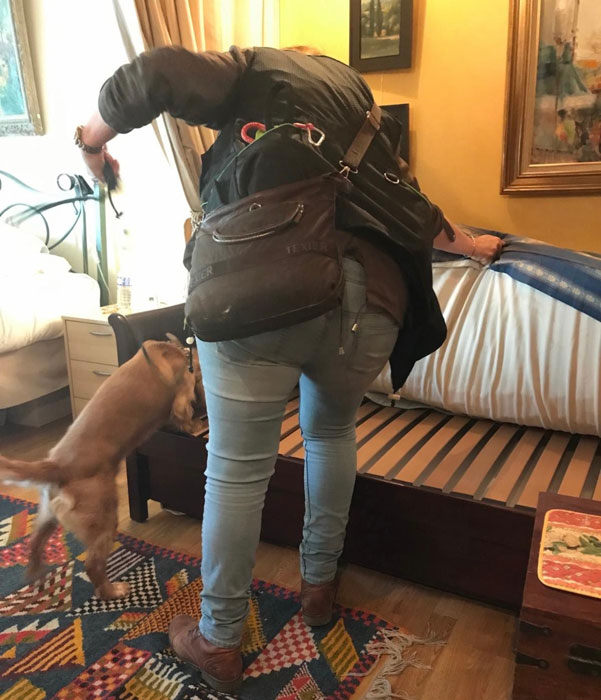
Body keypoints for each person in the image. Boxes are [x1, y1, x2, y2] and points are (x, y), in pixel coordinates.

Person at [77, 45, 503, 694]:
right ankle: (318, 587)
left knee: (237, 469)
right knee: (330, 434)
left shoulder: (255, 70)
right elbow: (409, 203)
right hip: (374, 298)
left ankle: (219, 641)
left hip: (260, 288)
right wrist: (469, 245)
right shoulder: (356, 101)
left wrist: (92, 142)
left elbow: (153, 74)